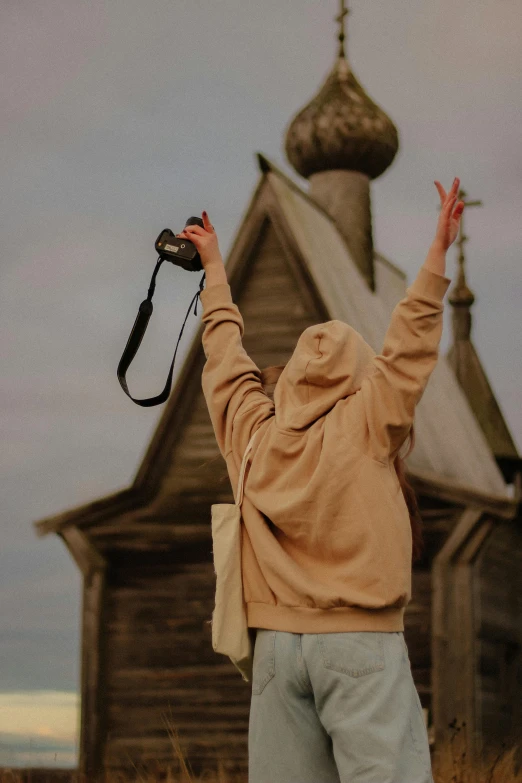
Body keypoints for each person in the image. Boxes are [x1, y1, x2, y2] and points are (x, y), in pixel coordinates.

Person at [177, 178, 465, 783]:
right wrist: (437, 254)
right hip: (359, 643)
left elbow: (225, 362)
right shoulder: (366, 421)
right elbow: (408, 348)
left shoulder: (255, 434)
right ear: (359, 380)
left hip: (277, 651)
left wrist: (214, 272)